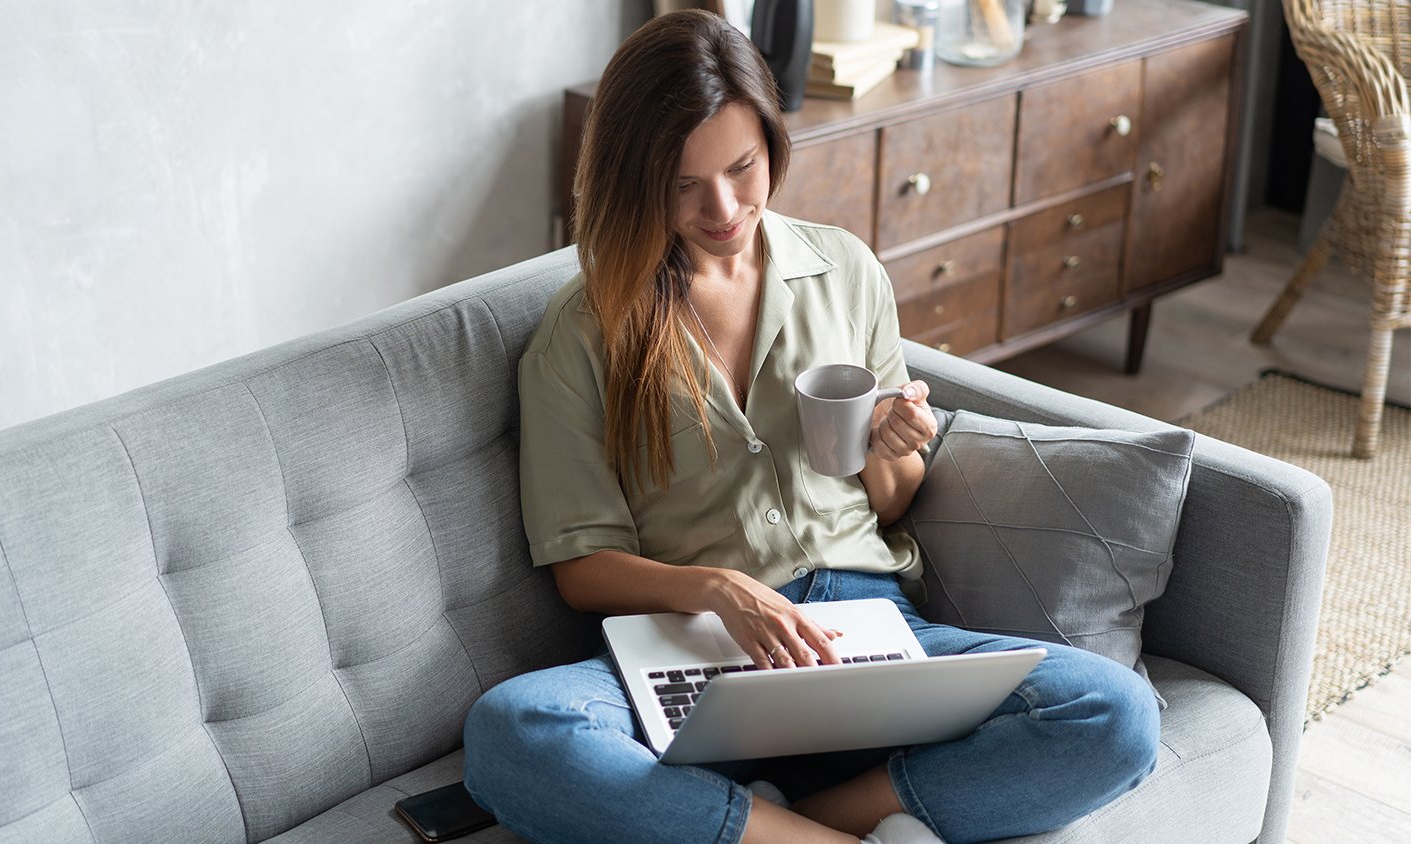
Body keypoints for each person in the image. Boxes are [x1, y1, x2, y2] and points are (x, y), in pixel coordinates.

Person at [462, 10, 1159, 844]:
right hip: (696, 649)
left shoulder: (847, 270)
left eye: (743, 168)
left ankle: (786, 824)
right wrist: (721, 590)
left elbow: (892, 506)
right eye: (683, 184)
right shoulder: (580, 336)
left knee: (1116, 713)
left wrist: (888, 451)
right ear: (631, 177)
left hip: (864, 627)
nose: (722, 206)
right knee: (516, 731)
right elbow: (582, 569)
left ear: (771, 144)